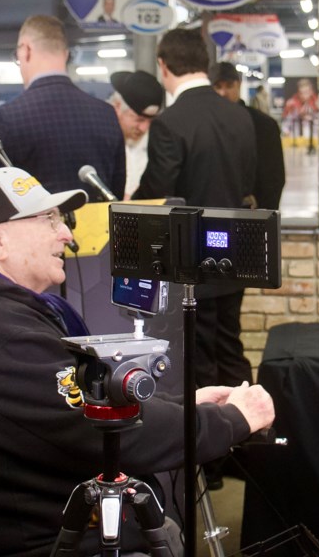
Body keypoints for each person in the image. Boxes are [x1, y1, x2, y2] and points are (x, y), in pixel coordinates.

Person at [0, 166, 275, 556]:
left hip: (34, 517)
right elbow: (114, 435)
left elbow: (81, 410)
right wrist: (233, 419)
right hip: (40, 540)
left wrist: (187, 405)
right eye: (49, 220)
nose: (66, 233)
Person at [132, 28, 257, 391]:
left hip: (190, 259)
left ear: (163, 65)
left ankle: (208, 442)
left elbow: (158, 192)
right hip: (234, 252)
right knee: (230, 346)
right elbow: (246, 182)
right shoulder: (240, 117)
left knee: (197, 355)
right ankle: (247, 432)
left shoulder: (172, 122)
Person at [0, 14, 125, 202]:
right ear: (66, 54)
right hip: (99, 229)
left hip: (33, 230)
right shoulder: (106, 114)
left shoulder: (6, 118)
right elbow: (116, 191)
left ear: (26, 50)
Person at [210, 61, 285, 210]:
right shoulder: (203, 125)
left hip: (251, 214)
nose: (223, 93)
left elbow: (274, 179)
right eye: (217, 87)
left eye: (229, 86)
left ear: (238, 85)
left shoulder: (263, 125)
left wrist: (264, 218)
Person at [109, 70, 164, 199]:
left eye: (151, 121)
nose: (144, 128)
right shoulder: (104, 143)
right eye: (139, 120)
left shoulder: (158, 142)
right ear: (117, 107)